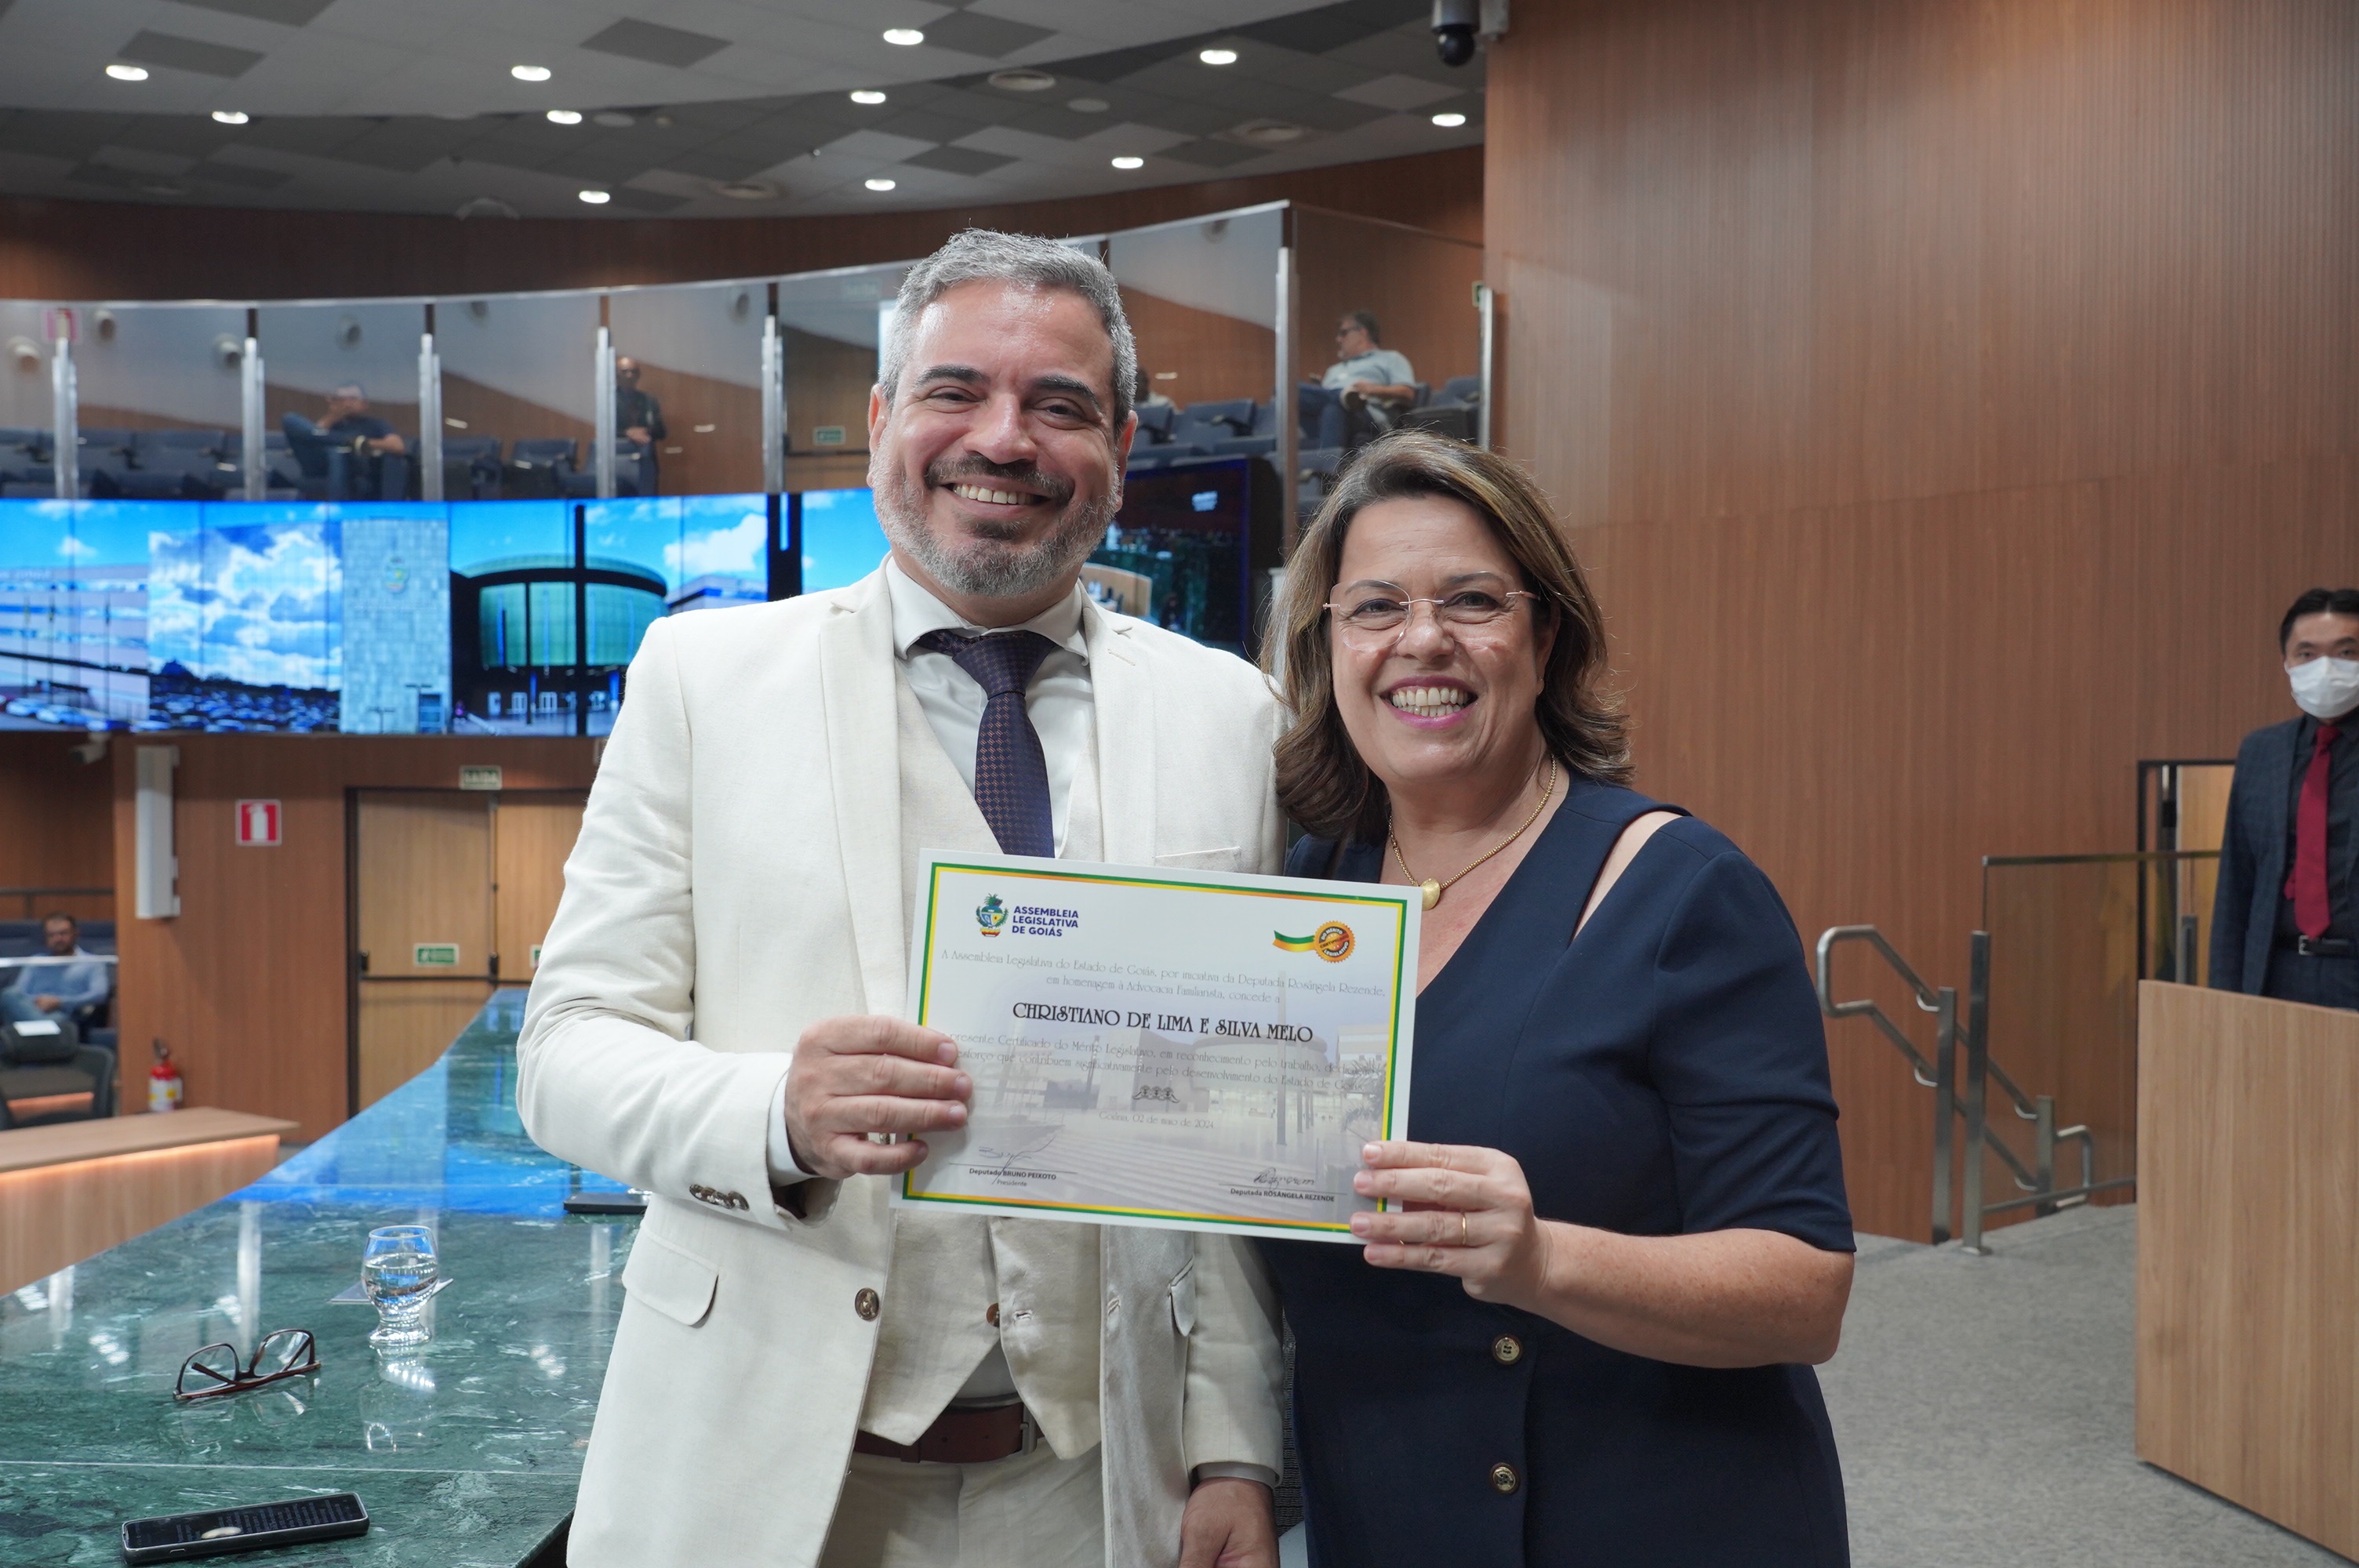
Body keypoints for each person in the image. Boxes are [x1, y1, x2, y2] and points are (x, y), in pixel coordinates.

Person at [518, 230, 1285, 1568]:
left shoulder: (1229, 713)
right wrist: (775, 1115)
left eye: (1059, 406)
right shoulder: (701, 680)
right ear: (880, 420)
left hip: (1100, 1482)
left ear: (1120, 448)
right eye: (955, 392)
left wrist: (1233, 1446)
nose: (1003, 438)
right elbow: (565, 1053)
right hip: (769, 1478)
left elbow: (1230, 1142)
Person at [1256, 430, 1855, 1566]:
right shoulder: (1301, 898)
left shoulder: (1680, 889)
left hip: (1651, 1519)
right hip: (1383, 1513)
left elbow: (1805, 1289)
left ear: (1545, 638)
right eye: (1375, 607)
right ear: (1327, 647)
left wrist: (1542, 1261)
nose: (1421, 640)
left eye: (1472, 600)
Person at [2210, 586, 2359, 1008]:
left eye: (2346, 653)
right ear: (2287, 663)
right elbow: (2236, 884)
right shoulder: (2262, 751)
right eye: (2307, 654)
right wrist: (2224, 1000)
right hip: (2277, 972)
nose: (2325, 668)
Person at [1296, 311, 1417, 452]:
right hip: (1324, 417)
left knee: (1333, 409)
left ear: (1363, 333)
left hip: (1367, 414)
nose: (1338, 339)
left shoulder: (1390, 358)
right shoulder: (1333, 370)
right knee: (1288, 392)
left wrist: (1372, 389)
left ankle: (1326, 466)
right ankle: (1343, 395)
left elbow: (1407, 392)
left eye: (1343, 333)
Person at [280, 383, 408, 499]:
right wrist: (333, 417)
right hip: (318, 464)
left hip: (353, 467)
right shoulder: (330, 423)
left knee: (337, 452)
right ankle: (347, 441)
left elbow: (397, 446)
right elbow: (313, 438)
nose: (347, 403)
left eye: (352, 398)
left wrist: (364, 443)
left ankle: (338, 507)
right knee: (290, 419)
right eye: (341, 399)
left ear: (364, 404)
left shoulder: (376, 424)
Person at [1, 913, 108, 1027]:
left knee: (51, 1022)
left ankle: (40, 1030)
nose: (58, 939)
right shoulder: (36, 962)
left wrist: (60, 1002)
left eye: (63, 933)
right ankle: (44, 1029)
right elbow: (20, 993)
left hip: (66, 1014)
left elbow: (99, 995)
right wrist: (38, 1001)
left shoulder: (92, 963)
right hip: (32, 1010)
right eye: (51, 935)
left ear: (75, 934)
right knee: (9, 994)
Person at [615, 354, 666, 494]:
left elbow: (662, 431)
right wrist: (626, 433)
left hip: (646, 460)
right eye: (625, 371)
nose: (629, 375)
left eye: (633, 371)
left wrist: (645, 431)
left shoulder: (649, 400)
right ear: (616, 375)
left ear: (638, 375)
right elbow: (603, 431)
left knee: (647, 498)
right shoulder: (608, 400)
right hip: (618, 459)